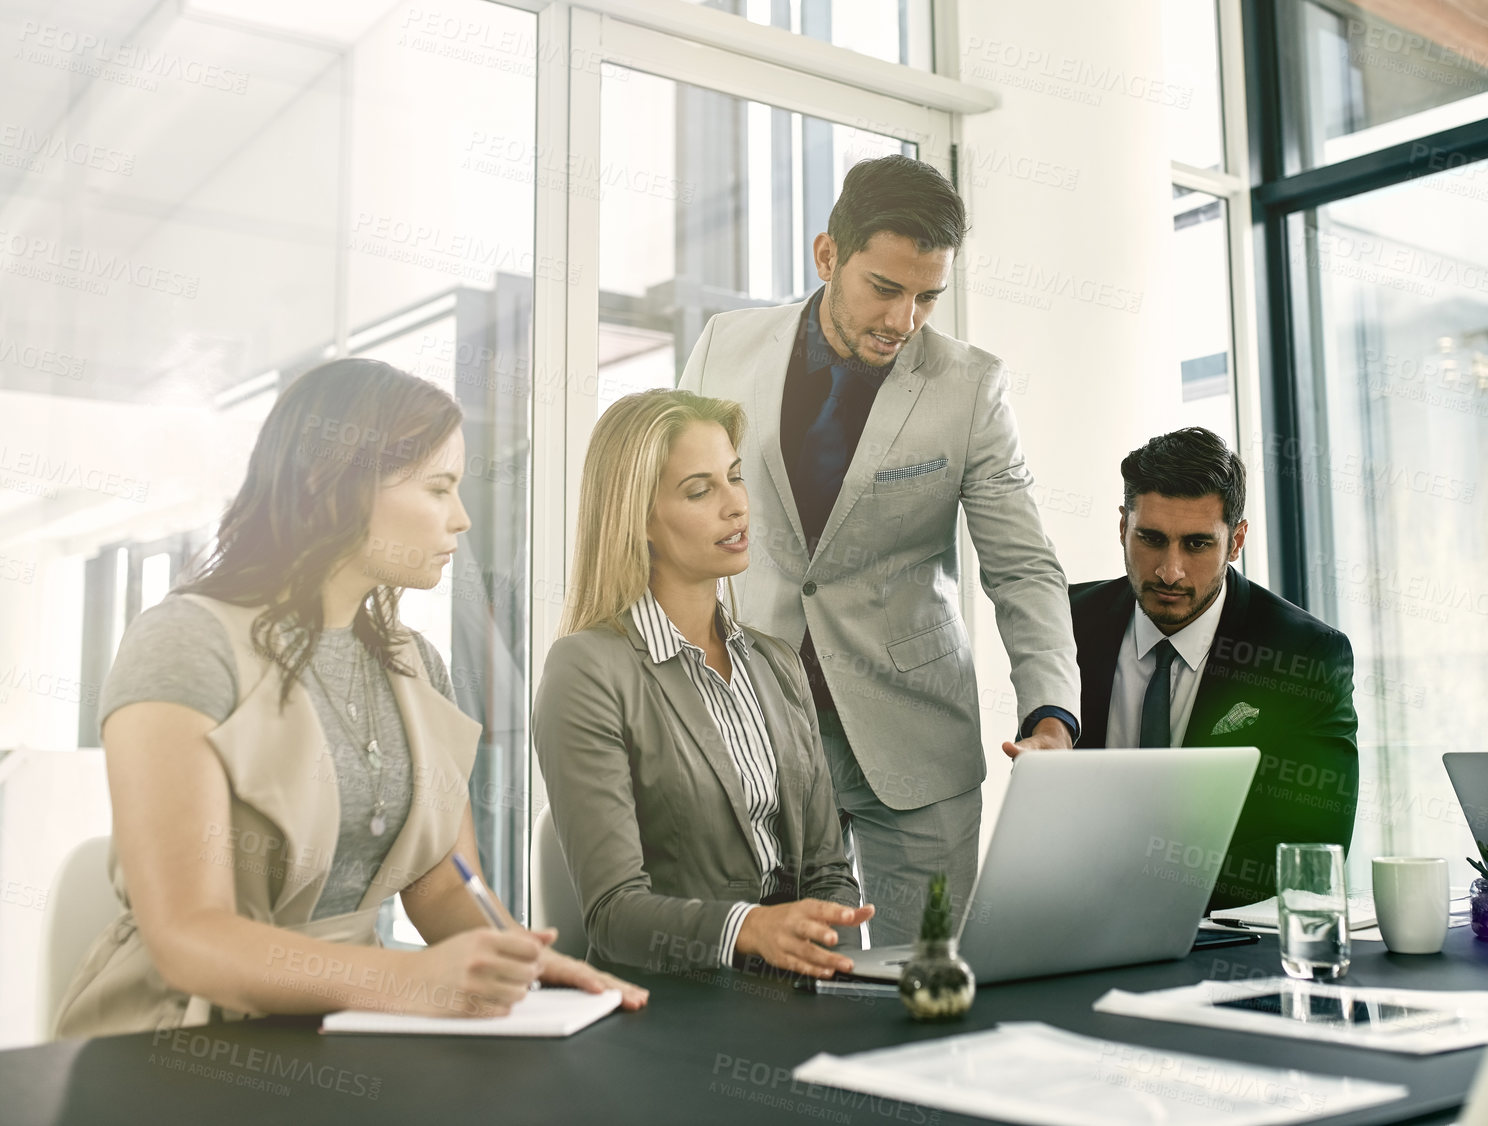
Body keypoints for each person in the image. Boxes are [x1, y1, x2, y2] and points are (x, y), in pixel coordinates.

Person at [54, 359, 645, 1039]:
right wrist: (408, 980)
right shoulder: (185, 643)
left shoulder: (415, 665)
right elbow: (189, 937)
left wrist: (521, 962)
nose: (461, 519)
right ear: (339, 486)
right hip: (181, 1038)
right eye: (437, 488)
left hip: (351, 1026)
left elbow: (446, 883)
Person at [678, 155, 1079, 943]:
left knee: (927, 983)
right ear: (828, 256)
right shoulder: (726, 346)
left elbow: (1022, 563)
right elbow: (668, 520)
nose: (904, 321)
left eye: (928, 296)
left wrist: (1052, 710)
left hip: (916, 734)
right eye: (885, 290)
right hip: (759, 724)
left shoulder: (970, 387)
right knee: (776, 987)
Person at [533, 390, 873, 979]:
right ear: (637, 518)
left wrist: (824, 950)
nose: (735, 506)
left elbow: (828, 873)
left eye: (735, 478)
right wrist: (751, 930)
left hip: (795, 997)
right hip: (674, 1008)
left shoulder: (775, 664)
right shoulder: (586, 670)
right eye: (700, 490)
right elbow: (614, 914)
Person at [1066, 428, 1359, 910]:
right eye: (1151, 539)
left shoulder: (1304, 656)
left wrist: (1152, 892)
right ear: (1123, 528)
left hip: (1222, 932)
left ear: (1237, 539)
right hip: (1072, 919)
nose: (1169, 571)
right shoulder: (1068, 622)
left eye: (1198, 544)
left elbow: (1312, 841)